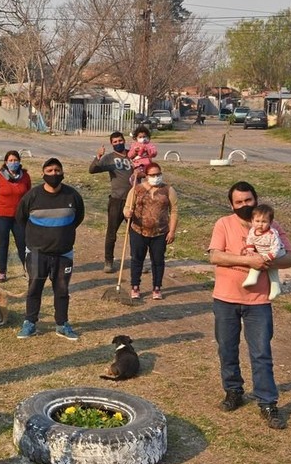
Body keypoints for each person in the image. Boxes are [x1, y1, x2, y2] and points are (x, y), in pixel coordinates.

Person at [208, 181, 291, 430]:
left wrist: (271, 260)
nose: (244, 206)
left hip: (259, 302)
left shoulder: (272, 225)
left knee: (261, 353)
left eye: (248, 200)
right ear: (231, 204)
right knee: (227, 349)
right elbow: (215, 255)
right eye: (238, 202)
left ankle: (267, 402)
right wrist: (249, 260)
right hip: (226, 299)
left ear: (256, 199)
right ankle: (233, 391)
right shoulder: (223, 224)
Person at [15, 158, 85, 341]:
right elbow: (21, 219)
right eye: (50, 170)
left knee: (62, 290)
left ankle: (62, 325)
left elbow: (78, 218)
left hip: (63, 254)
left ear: (62, 172)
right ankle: (30, 323)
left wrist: (61, 233)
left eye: (57, 170)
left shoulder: (73, 196)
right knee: (34, 288)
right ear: (43, 174)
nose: (54, 174)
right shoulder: (32, 196)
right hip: (37, 253)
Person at [123, 162, 178, 300]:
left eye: (158, 174)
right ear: (146, 176)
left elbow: (174, 211)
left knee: (158, 260)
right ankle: (135, 286)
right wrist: (127, 213)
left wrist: (172, 231)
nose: (156, 177)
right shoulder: (137, 189)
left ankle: (157, 287)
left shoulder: (168, 190)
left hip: (160, 232)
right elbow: (127, 207)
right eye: (153, 175)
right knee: (137, 259)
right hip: (138, 230)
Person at [89, 132, 135, 273]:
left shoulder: (132, 155)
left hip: (133, 200)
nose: (118, 143)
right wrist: (98, 156)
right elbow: (92, 170)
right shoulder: (109, 159)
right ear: (111, 144)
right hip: (116, 200)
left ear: (124, 140)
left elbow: (146, 167)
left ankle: (137, 260)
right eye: (115, 142)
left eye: (120, 140)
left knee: (135, 233)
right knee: (111, 233)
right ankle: (108, 261)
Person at [0, 150, 32, 282]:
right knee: (3, 243)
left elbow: (29, 195)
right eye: (10, 161)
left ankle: (27, 269)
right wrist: (1, 207)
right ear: (6, 162)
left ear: (19, 161)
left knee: (22, 243)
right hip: (1, 216)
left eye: (15, 160)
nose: (13, 163)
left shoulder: (25, 176)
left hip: (19, 217)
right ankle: (2, 271)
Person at [242, 204, 285, 300]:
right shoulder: (253, 231)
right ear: (252, 221)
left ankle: (272, 286)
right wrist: (250, 249)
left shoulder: (272, 233)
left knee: (268, 267)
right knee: (261, 264)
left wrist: (269, 256)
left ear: (270, 222)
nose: (260, 224)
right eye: (257, 221)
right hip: (263, 252)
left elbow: (276, 246)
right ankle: (254, 279)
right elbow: (250, 240)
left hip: (277, 252)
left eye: (264, 221)